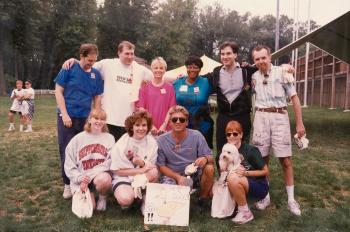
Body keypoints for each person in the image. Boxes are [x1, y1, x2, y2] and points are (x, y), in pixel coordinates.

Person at [251, 45, 306, 216]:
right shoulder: (253, 76)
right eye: (257, 59)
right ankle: (264, 196)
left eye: (263, 58)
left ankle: (291, 200)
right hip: (260, 118)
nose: (261, 61)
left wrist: (299, 124)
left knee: (286, 160)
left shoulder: (283, 73)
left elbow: (294, 98)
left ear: (270, 57)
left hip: (279, 116)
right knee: (262, 160)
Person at [63, 41, 153, 141]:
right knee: (108, 150)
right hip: (109, 119)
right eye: (127, 53)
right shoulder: (107, 64)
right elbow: (87, 65)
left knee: (124, 152)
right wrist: (75, 60)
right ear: (119, 53)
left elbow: (159, 76)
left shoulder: (139, 69)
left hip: (129, 119)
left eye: (132, 53)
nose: (130, 56)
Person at [54, 43, 104, 199]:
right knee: (67, 150)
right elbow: (58, 91)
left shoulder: (96, 74)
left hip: (85, 119)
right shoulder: (69, 68)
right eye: (89, 60)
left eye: (94, 61)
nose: (91, 64)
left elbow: (97, 96)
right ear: (81, 56)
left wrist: (94, 117)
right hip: (67, 117)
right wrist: (65, 114)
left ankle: (83, 182)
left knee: (84, 152)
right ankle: (67, 184)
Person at [205, 41, 257, 168]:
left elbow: (265, 66)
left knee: (242, 148)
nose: (225, 56)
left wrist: (285, 67)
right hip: (223, 116)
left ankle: (241, 177)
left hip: (242, 115)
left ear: (235, 55)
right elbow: (199, 78)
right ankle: (224, 178)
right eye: (222, 54)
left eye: (228, 53)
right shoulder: (216, 72)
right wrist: (178, 78)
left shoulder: (247, 71)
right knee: (222, 149)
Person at [156, 105, 214, 206]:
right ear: (170, 122)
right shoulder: (161, 140)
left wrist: (205, 158)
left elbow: (210, 157)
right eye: (174, 119)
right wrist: (178, 177)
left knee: (209, 168)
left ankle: (203, 198)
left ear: (187, 122)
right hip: (172, 175)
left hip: (193, 173)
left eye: (182, 120)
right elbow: (161, 166)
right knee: (170, 201)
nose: (178, 122)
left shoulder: (197, 135)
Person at [64, 109, 115, 212]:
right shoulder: (77, 139)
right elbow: (69, 165)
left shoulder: (109, 138)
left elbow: (110, 162)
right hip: (81, 179)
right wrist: (79, 178)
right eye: (96, 118)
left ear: (105, 122)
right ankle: (89, 193)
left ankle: (102, 197)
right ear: (89, 120)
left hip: (98, 176)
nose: (99, 121)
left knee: (105, 179)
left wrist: (89, 176)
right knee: (89, 209)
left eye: (102, 119)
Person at [110, 110, 158, 212]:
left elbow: (152, 166)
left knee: (154, 172)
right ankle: (131, 197)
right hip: (124, 177)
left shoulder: (152, 142)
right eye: (137, 125)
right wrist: (139, 171)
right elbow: (116, 170)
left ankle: (145, 200)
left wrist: (142, 163)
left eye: (144, 125)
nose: (141, 128)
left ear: (148, 127)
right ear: (132, 127)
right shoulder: (122, 143)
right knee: (125, 199)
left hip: (142, 176)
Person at [223, 121, 269, 224]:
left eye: (235, 134)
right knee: (223, 183)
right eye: (228, 134)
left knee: (233, 178)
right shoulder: (225, 152)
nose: (232, 136)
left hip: (258, 185)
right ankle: (240, 205)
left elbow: (266, 172)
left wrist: (246, 173)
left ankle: (245, 213)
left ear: (241, 135)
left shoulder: (251, 150)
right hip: (240, 185)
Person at [173, 56, 214, 148]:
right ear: (186, 68)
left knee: (202, 154)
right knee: (183, 153)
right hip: (182, 125)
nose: (192, 70)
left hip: (202, 126)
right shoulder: (177, 83)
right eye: (190, 67)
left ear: (200, 69)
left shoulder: (207, 82)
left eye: (196, 67)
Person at [135, 57, 176, 136]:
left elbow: (172, 108)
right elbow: (141, 109)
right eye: (156, 68)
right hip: (147, 126)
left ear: (165, 70)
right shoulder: (145, 87)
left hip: (165, 128)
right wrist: (151, 125)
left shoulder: (170, 87)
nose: (158, 70)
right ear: (152, 69)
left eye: (161, 68)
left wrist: (164, 125)